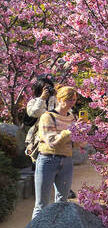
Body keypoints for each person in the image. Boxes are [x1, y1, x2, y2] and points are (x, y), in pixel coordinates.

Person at [31, 86, 78, 219]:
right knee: (41, 204)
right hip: (47, 160)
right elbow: (51, 141)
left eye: (73, 100)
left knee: (63, 202)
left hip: (67, 161)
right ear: (59, 99)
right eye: (68, 99)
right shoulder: (48, 116)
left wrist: (82, 134)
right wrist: (70, 131)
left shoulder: (72, 117)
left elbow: (76, 144)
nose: (71, 103)